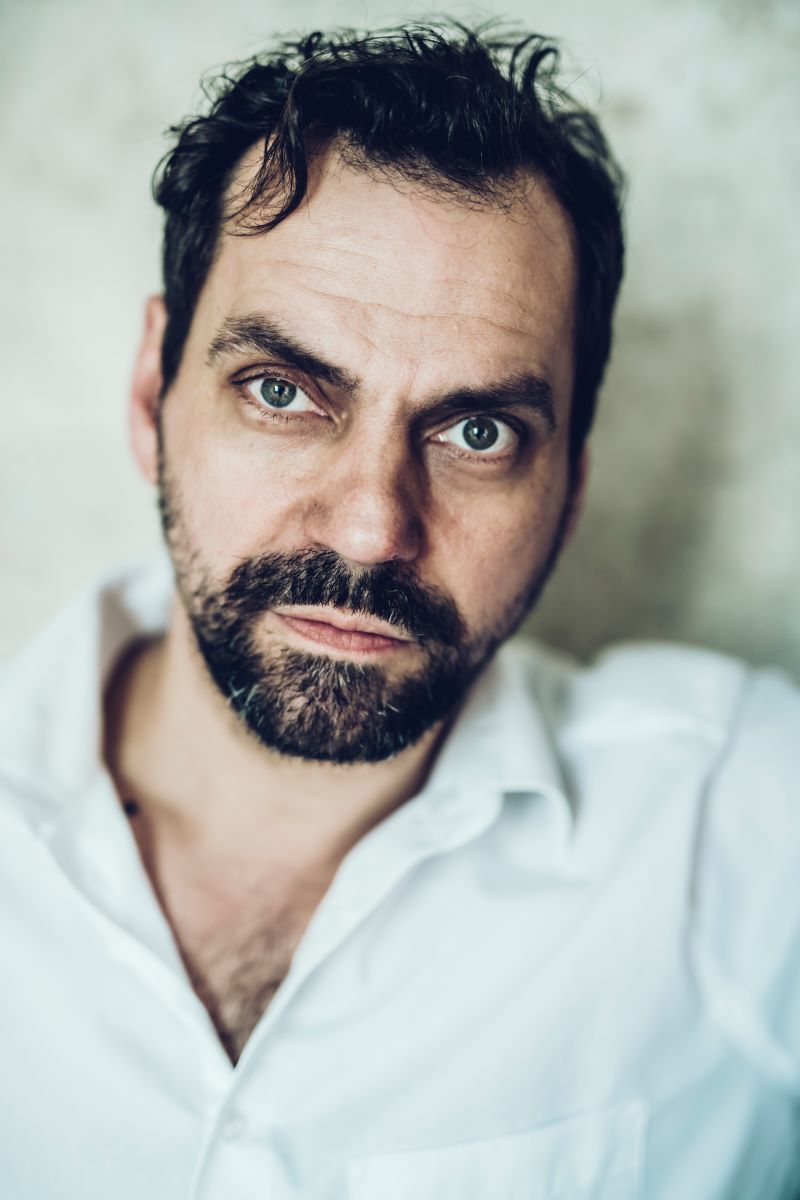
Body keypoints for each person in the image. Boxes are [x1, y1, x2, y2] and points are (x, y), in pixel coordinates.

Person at [0, 22, 797, 1200]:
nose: (372, 528)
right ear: (149, 393)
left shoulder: (738, 825)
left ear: (570, 487)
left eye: (477, 432)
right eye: (282, 391)